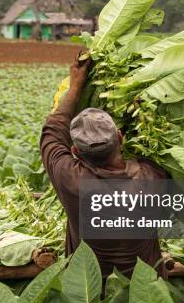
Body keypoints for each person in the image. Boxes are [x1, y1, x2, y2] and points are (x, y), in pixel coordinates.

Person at [40, 54, 167, 279]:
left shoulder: (71, 180)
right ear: (120, 137)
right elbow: (159, 146)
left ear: (76, 152)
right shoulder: (152, 178)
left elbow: (52, 132)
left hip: (88, 292)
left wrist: (76, 84)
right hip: (146, 294)